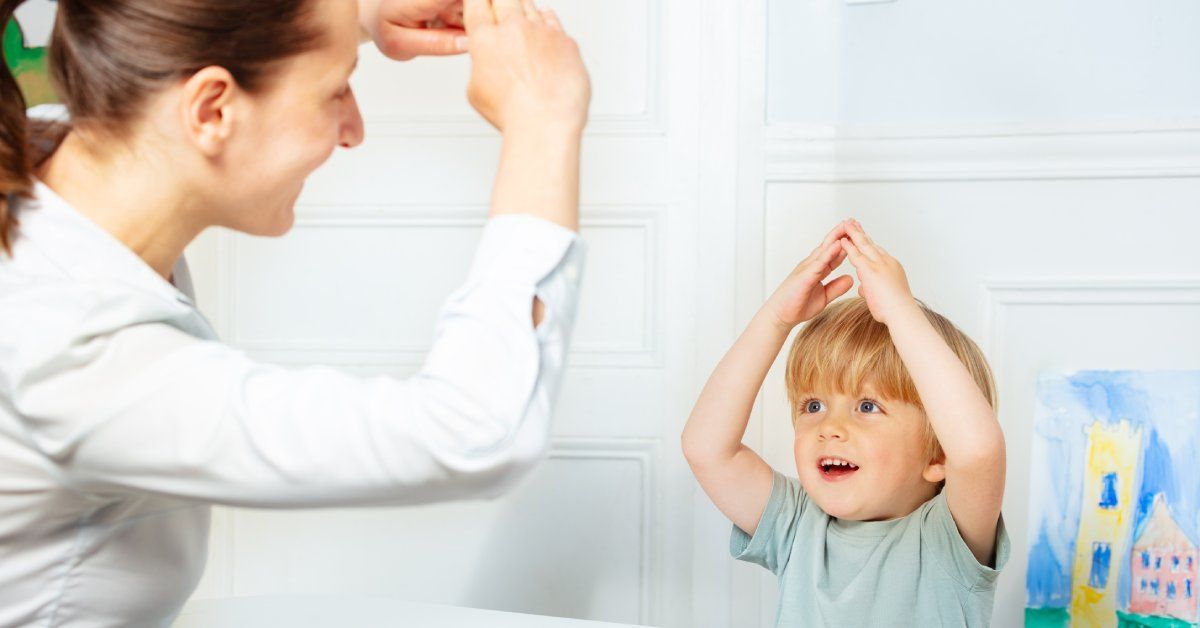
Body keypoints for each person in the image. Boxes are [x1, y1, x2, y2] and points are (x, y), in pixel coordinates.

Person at [0, 0, 590, 624]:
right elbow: (474, 434)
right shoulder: (73, 352)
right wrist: (543, 122)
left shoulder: (61, 149)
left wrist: (356, 16)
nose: (353, 129)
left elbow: (203, 41)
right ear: (212, 110)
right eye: (337, 90)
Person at [681, 220, 1009, 626]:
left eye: (868, 407)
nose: (830, 427)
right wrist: (775, 320)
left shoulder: (949, 539)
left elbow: (978, 451)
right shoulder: (797, 523)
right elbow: (708, 449)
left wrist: (900, 311)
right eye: (814, 405)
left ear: (939, 452)